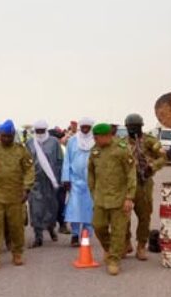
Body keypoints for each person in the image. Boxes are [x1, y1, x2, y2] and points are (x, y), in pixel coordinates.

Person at [0, 120, 34, 271]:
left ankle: (17, 253)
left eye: (9, 136)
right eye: (3, 136)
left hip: (16, 194)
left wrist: (26, 188)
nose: (6, 139)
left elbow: (29, 170)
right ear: (0, 135)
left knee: (16, 226)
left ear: (13, 135)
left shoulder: (21, 150)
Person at [89, 123, 136, 276]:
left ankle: (114, 260)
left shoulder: (122, 149)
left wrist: (129, 197)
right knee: (98, 226)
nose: (94, 140)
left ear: (106, 136)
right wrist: (93, 192)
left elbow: (131, 173)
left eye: (96, 137)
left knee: (118, 230)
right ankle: (110, 249)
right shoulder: (95, 150)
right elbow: (91, 173)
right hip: (101, 198)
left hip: (119, 198)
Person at [122, 113, 165, 260]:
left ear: (141, 127)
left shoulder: (150, 141)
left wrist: (152, 167)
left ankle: (141, 246)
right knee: (123, 216)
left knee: (144, 216)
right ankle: (126, 243)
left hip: (143, 183)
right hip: (126, 185)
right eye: (130, 127)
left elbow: (163, 157)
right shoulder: (121, 143)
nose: (133, 130)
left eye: (136, 127)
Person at [25, 120, 63, 247]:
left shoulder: (54, 142)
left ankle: (51, 227)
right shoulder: (30, 143)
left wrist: (59, 179)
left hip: (51, 181)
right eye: (37, 131)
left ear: (46, 130)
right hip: (35, 181)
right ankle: (38, 236)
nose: (40, 133)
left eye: (42, 131)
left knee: (51, 207)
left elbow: (59, 161)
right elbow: (26, 163)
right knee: (36, 208)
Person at [62, 118, 96, 247]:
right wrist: (66, 178)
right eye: (83, 126)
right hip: (75, 181)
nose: (85, 129)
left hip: (91, 182)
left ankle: (86, 234)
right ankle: (75, 235)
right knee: (75, 209)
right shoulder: (72, 141)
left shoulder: (95, 141)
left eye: (88, 126)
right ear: (80, 127)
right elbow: (67, 160)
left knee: (89, 209)